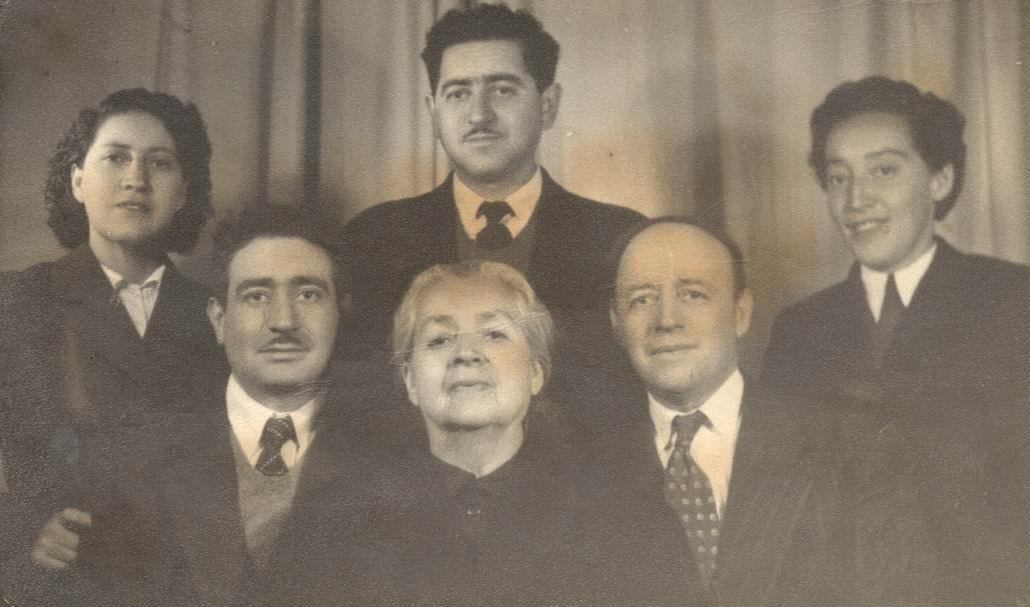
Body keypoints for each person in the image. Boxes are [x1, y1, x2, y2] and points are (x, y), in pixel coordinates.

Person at [20, 205, 386, 606]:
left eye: (308, 294)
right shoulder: (129, 456)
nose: (283, 320)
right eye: (256, 296)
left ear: (340, 315)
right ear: (218, 319)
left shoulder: (395, 450)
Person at [763, 76, 1030, 603]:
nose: (856, 199)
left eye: (883, 170)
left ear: (939, 179)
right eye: (838, 178)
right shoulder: (799, 330)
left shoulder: (1014, 302)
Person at [590, 217, 939, 606]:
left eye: (693, 295)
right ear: (617, 325)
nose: (667, 321)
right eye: (642, 300)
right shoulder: (579, 472)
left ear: (740, 313)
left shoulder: (855, 450)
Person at [342, 3, 643, 399]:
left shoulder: (621, 239)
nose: (478, 115)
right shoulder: (372, 238)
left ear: (548, 105)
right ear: (433, 112)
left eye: (502, 90)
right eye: (458, 93)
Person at [279, 261, 620, 606]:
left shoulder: (612, 516)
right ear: (410, 380)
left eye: (494, 334)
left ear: (535, 373)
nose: (466, 354)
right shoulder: (333, 521)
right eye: (439, 339)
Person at [0, 88, 222, 600]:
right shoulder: (17, 301)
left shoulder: (216, 313)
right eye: (116, 157)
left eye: (159, 163)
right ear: (77, 180)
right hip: (62, 585)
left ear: (184, 191)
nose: (135, 179)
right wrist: (17, 529)